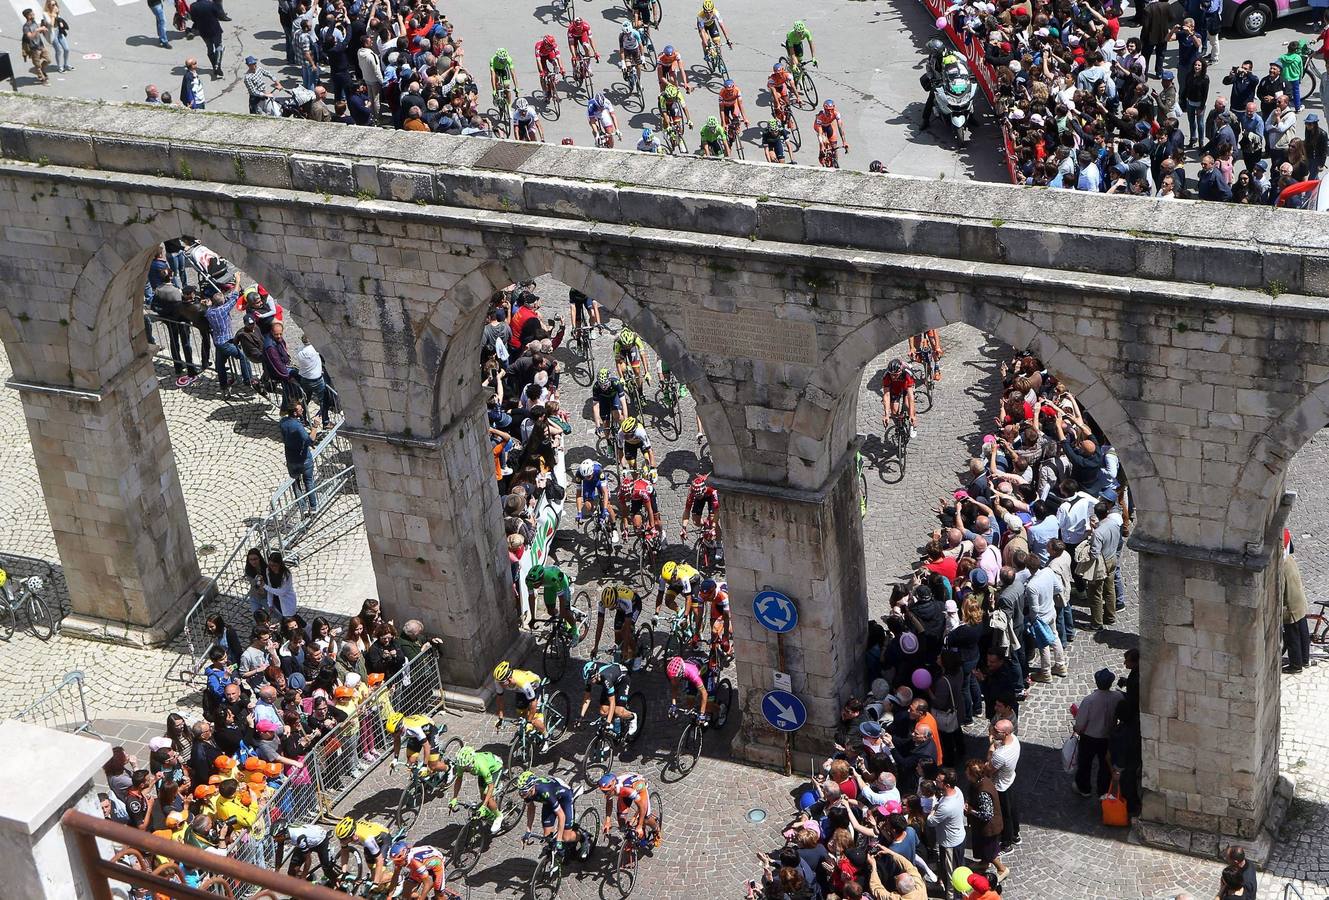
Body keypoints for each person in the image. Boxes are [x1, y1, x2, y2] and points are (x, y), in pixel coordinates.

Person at [517, 770, 589, 859]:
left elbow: (561, 816)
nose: (522, 795)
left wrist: (559, 840)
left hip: (564, 798)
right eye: (520, 792)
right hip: (549, 801)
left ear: (532, 787)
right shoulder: (527, 793)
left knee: (565, 837)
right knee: (548, 836)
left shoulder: (544, 792)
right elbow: (531, 809)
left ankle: (584, 838)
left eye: (524, 792)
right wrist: (528, 831)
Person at [1074, 668, 1123, 797]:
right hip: (1108, 737)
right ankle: (1103, 791)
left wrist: (1077, 729)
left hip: (1089, 737)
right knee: (1105, 765)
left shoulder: (1089, 700)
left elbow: (1080, 722)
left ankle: (1084, 788)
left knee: (1085, 763)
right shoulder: (1118, 697)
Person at [492, 660, 550, 749]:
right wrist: (500, 717)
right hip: (520, 691)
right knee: (521, 713)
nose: (500, 684)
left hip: (534, 686)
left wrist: (530, 721)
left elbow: (533, 702)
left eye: (502, 683)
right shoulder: (499, 681)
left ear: (509, 679)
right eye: (499, 682)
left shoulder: (522, 682)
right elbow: (500, 698)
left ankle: (546, 736)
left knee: (534, 719)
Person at [448, 746, 506, 833]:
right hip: (484, 771)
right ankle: (489, 813)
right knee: (483, 797)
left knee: (488, 796)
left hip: (495, 769)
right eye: (463, 767)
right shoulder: (462, 764)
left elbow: (490, 786)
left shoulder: (481, 766)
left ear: (472, 762)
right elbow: (459, 779)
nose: (464, 769)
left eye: (466, 767)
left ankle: (498, 816)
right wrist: (454, 798)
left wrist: (484, 806)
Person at [579, 659, 639, 737]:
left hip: (622, 680)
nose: (590, 682)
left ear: (597, 674)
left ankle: (633, 717)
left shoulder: (605, 678)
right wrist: (581, 716)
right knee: (603, 711)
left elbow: (612, 702)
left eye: (591, 679)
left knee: (618, 711)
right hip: (611, 681)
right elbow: (587, 698)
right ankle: (614, 729)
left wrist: (608, 722)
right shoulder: (590, 679)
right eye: (588, 680)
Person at [599, 772, 661, 846]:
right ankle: (631, 837)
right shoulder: (610, 790)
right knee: (621, 821)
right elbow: (609, 802)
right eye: (603, 791)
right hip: (624, 791)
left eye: (606, 792)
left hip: (638, 788)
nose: (605, 794)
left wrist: (640, 826)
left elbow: (642, 807)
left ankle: (656, 830)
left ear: (613, 787)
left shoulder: (626, 789)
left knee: (645, 818)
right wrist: (608, 821)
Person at [987, 719, 1021, 851]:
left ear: (1006, 733)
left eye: (997, 731)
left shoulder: (1000, 755)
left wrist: (991, 747)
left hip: (1001, 787)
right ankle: (1015, 835)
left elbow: (989, 768)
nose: (994, 731)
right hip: (1010, 779)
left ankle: (1006, 843)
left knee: (1003, 814)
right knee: (1012, 809)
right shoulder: (1015, 740)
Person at [280, 402, 319, 513]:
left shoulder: (283, 422)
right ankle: (313, 507)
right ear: (295, 412)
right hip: (304, 459)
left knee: (296, 485)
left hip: (291, 459)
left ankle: (303, 508)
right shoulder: (297, 426)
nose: (302, 409)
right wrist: (315, 426)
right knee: (308, 482)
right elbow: (310, 440)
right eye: (300, 409)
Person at [386, 711, 451, 778]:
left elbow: (426, 746)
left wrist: (424, 766)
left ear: (400, 728)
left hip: (430, 733)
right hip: (416, 735)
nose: (392, 736)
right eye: (390, 734)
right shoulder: (399, 729)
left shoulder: (414, 729)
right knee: (410, 762)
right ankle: (419, 778)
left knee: (433, 766)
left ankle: (449, 768)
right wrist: (395, 758)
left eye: (393, 733)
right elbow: (396, 740)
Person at [592, 582, 642, 665]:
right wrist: (596, 646)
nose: (610, 609)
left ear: (616, 599)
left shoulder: (625, 601)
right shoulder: (602, 603)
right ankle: (624, 652)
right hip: (620, 608)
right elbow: (599, 625)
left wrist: (625, 648)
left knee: (626, 631)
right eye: (608, 607)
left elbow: (627, 627)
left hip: (634, 605)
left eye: (612, 606)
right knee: (617, 636)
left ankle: (637, 654)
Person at [882, 358, 917, 438]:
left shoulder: (907, 374)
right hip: (895, 387)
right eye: (892, 374)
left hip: (906, 386)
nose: (893, 377)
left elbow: (911, 396)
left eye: (896, 374)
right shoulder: (886, 375)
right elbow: (886, 395)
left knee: (907, 404)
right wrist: (886, 414)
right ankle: (899, 425)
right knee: (894, 412)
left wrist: (911, 415)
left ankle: (913, 425)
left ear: (901, 371)